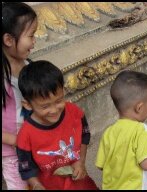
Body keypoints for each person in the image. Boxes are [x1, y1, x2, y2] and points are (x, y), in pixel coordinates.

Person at [16, 60, 98, 190]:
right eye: (45, 106)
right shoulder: (25, 135)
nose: (54, 110)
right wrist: (37, 185)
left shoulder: (75, 113)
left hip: (80, 184)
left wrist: (80, 161)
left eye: (59, 100)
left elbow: (85, 136)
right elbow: (27, 170)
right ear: (28, 105)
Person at [2, 2, 38, 190]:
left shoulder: (27, 65)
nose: (34, 41)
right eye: (31, 35)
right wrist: (16, 141)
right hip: (12, 152)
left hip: (32, 143)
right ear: (9, 40)